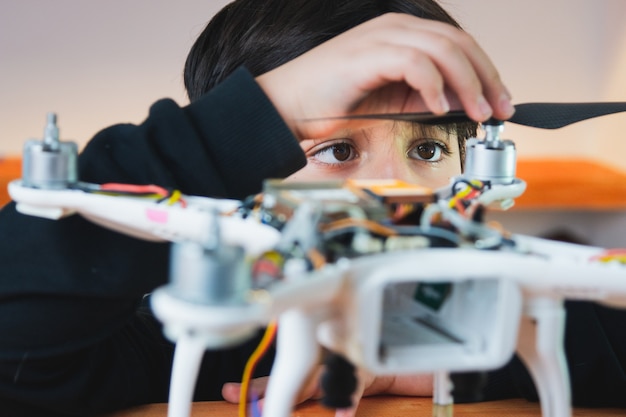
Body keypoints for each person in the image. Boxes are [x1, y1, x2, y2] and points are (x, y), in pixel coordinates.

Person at [1, 2, 614, 417]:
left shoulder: (480, 315)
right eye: (336, 149)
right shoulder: (179, 329)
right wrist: (260, 112)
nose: (393, 186)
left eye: (427, 147)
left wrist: (468, 359)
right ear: (234, 161)